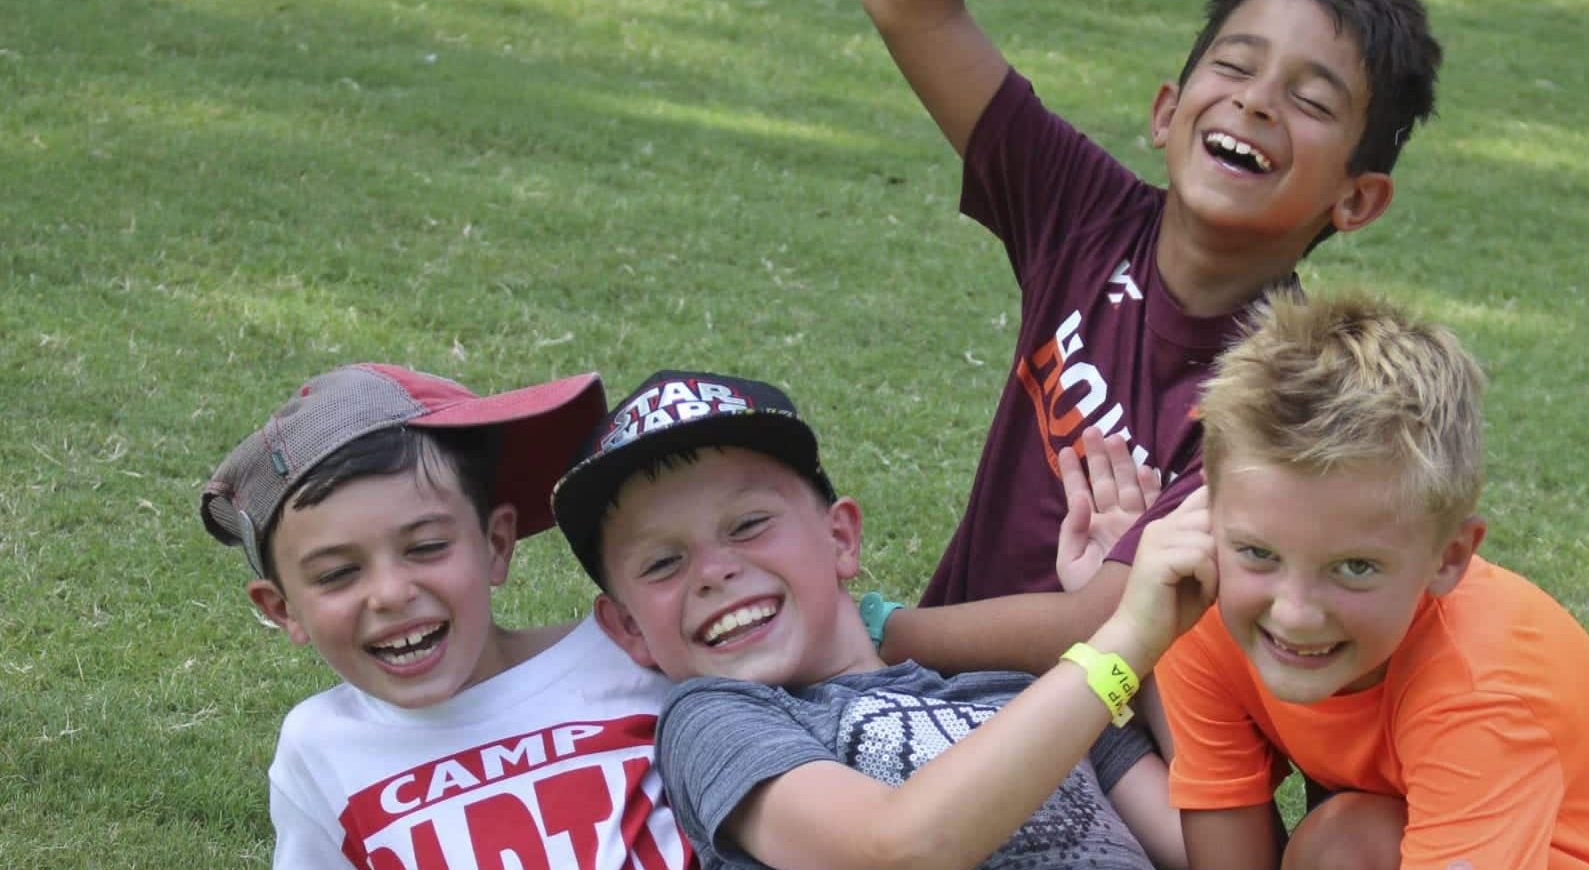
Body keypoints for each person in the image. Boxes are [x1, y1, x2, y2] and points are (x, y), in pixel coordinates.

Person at [859, 0, 1445, 673]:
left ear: (1357, 200)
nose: (1255, 103)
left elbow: (1100, 619)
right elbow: (907, 5)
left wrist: (875, 632)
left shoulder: (1289, 399)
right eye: (1234, 66)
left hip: (1093, 749)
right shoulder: (1082, 212)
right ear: (1167, 113)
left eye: (1312, 102)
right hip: (926, 695)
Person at [549, 370, 1212, 870]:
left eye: (749, 524)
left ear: (841, 537)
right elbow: (891, 850)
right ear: (629, 629)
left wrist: (1164, 635)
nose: (712, 571)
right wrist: (1121, 638)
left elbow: (1213, 846)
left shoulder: (1025, 691)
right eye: (663, 562)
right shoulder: (714, 721)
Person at [1154, 291, 1589, 869]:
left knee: (1344, 847)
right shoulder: (1204, 610)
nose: (1294, 613)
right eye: (1258, 552)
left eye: (1354, 567)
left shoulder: (1484, 690)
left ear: (1450, 557)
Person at [199, 364, 692, 870]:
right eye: (338, 573)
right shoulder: (319, 747)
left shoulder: (633, 654)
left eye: (427, 546)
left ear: (496, 544)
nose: (390, 594)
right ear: (284, 610)